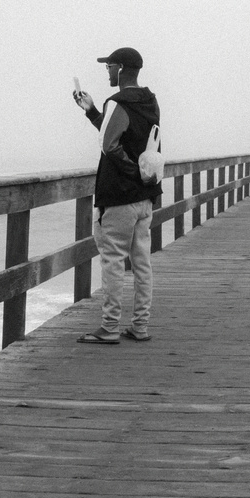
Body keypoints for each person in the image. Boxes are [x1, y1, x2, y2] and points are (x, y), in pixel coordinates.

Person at [72, 46, 161, 344]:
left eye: (109, 67)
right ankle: (140, 326)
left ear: (121, 69)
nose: (107, 71)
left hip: (120, 197)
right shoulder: (151, 101)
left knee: (112, 262)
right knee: (141, 263)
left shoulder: (118, 102)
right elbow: (124, 135)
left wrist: (130, 171)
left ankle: (109, 328)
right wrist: (93, 111)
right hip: (145, 197)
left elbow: (109, 145)